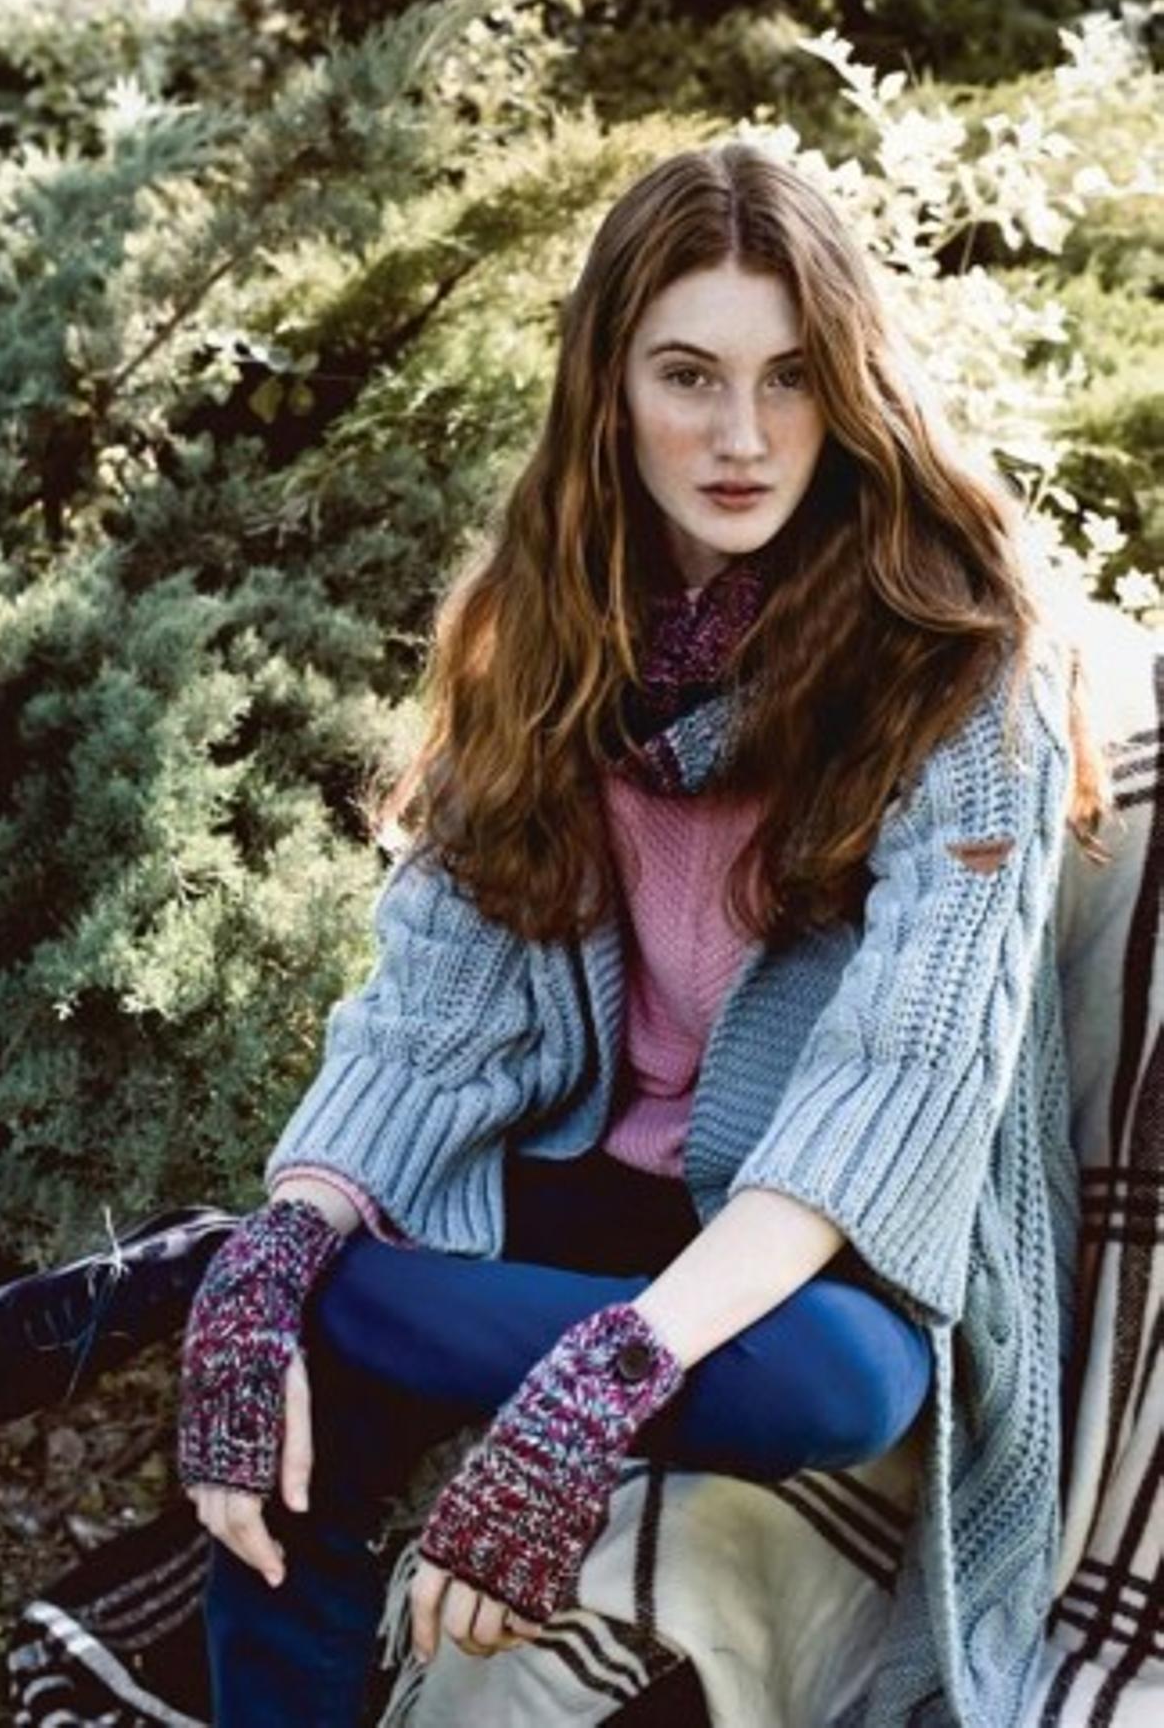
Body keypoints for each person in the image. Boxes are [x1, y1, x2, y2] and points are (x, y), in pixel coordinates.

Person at [176, 143, 1109, 1728]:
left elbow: (902, 1083)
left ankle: (249, 1293)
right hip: (592, 1187)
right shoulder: (545, 626)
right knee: (274, 1375)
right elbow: (433, 1016)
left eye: (790, 377)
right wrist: (285, 1238)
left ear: (851, 386)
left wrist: (596, 1386)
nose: (743, 437)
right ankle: (255, 1304)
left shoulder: (961, 659)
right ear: (608, 386)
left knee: (837, 1381)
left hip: (811, 1234)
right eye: (688, 376)